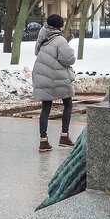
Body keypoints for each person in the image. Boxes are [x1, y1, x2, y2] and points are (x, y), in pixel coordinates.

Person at [33, 14, 75, 153]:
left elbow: (37, 52)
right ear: (60, 26)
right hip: (57, 77)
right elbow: (69, 59)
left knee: (46, 108)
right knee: (68, 104)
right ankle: (64, 137)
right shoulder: (60, 40)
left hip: (42, 74)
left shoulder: (42, 35)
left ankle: (43, 141)